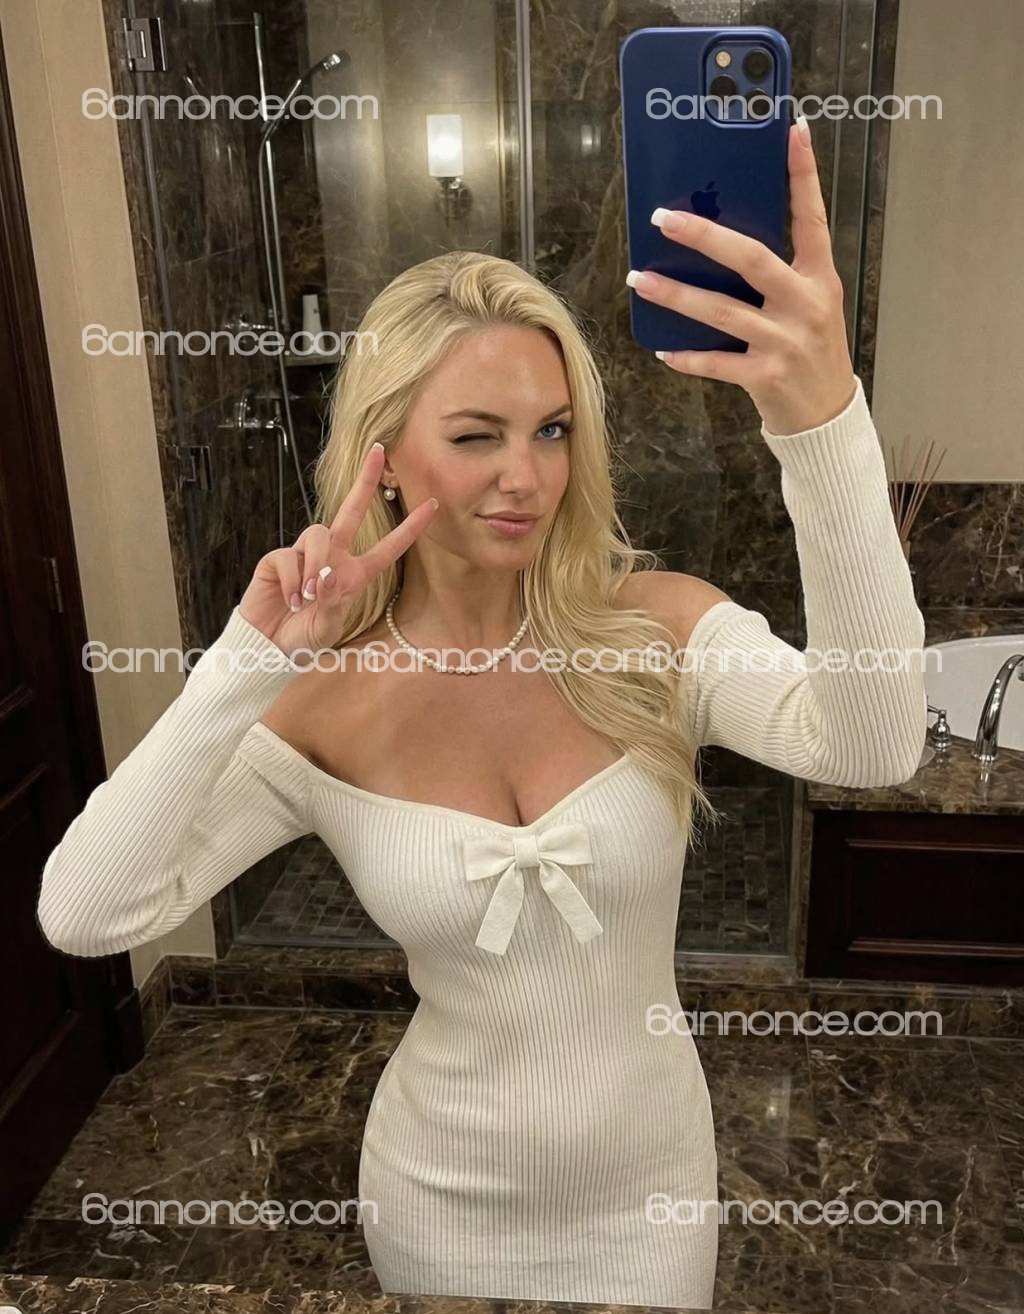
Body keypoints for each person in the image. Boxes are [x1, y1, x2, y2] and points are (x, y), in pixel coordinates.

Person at [36, 120, 926, 1308]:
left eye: (551, 430)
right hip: (436, 1199)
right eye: (475, 436)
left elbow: (874, 743)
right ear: (386, 457)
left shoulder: (655, 630)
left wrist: (820, 423)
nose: (527, 477)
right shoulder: (318, 707)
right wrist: (248, 662)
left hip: (650, 1198)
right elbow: (86, 912)